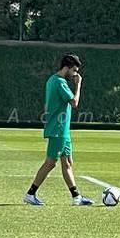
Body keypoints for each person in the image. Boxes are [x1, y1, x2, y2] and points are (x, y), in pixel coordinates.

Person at [23, 53, 94, 207]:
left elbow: (47, 105)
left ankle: (76, 197)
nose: (75, 74)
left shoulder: (52, 80)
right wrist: (79, 84)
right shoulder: (60, 82)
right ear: (67, 67)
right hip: (58, 129)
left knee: (67, 162)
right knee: (50, 163)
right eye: (74, 70)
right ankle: (30, 193)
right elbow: (74, 102)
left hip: (63, 129)